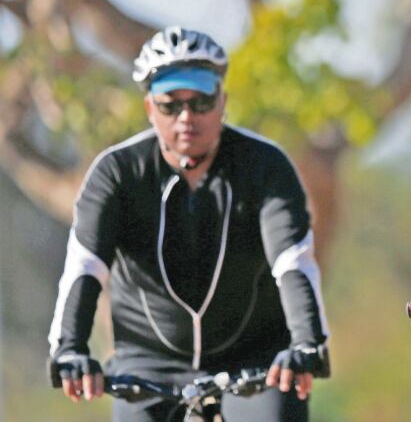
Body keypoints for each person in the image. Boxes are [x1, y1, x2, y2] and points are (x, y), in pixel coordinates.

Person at [47, 26, 330, 421]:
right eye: (170, 105)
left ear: (223, 102)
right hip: (148, 360)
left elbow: (293, 261)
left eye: (201, 102)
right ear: (149, 108)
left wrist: (306, 343)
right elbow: (86, 266)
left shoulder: (265, 167)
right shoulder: (117, 173)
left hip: (254, 357)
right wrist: (70, 349)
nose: (186, 117)